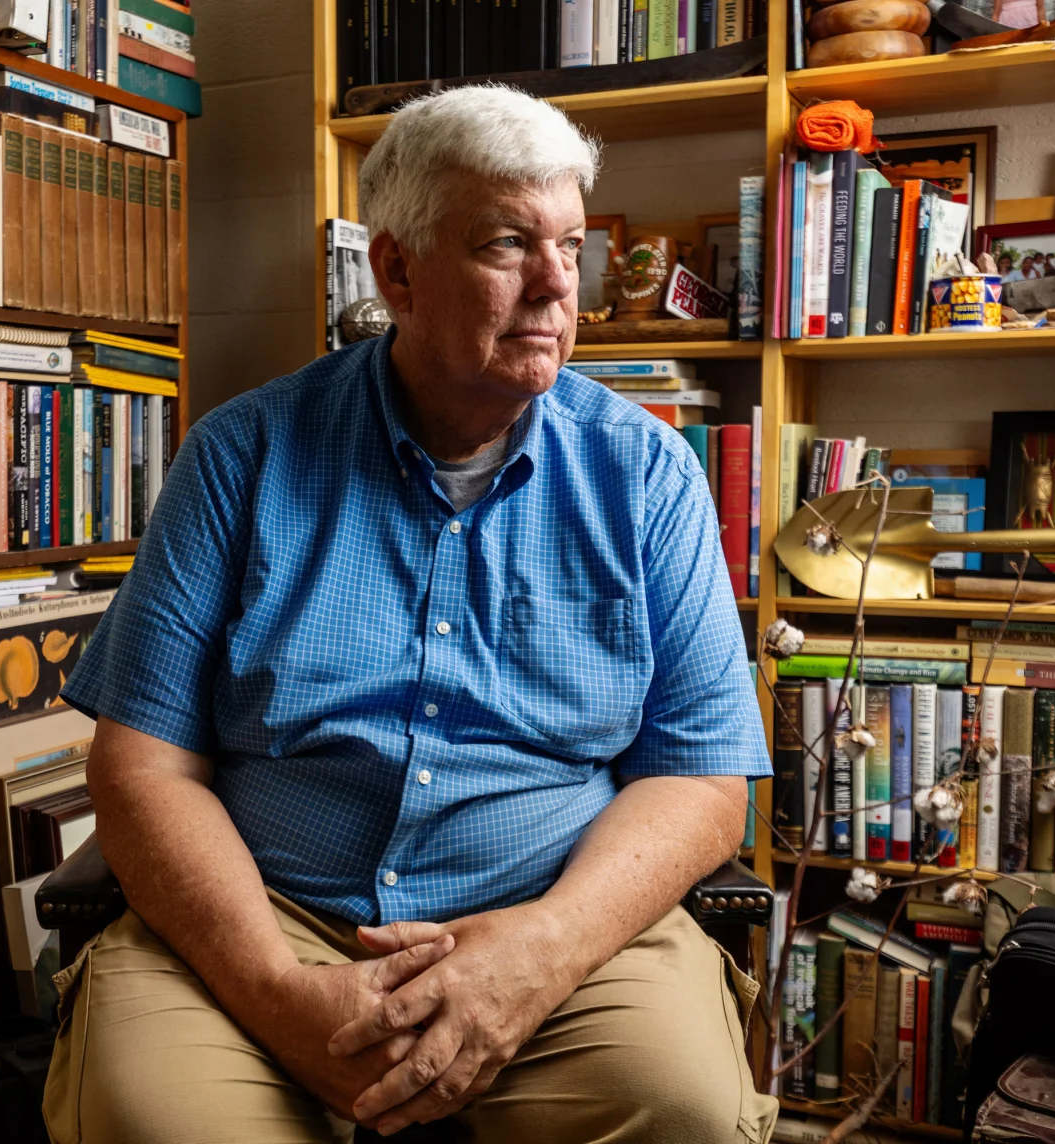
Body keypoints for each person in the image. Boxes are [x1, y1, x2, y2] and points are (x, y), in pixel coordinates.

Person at [42, 85, 777, 1144]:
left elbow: (701, 783)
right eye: (506, 243)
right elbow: (141, 766)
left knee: (682, 1110)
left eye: (570, 244)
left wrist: (539, 953)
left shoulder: (646, 473)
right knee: (160, 1119)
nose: (554, 283)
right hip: (272, 912)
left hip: (555, 920)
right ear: (395, 270)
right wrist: (271, 991)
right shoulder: (239, 456)